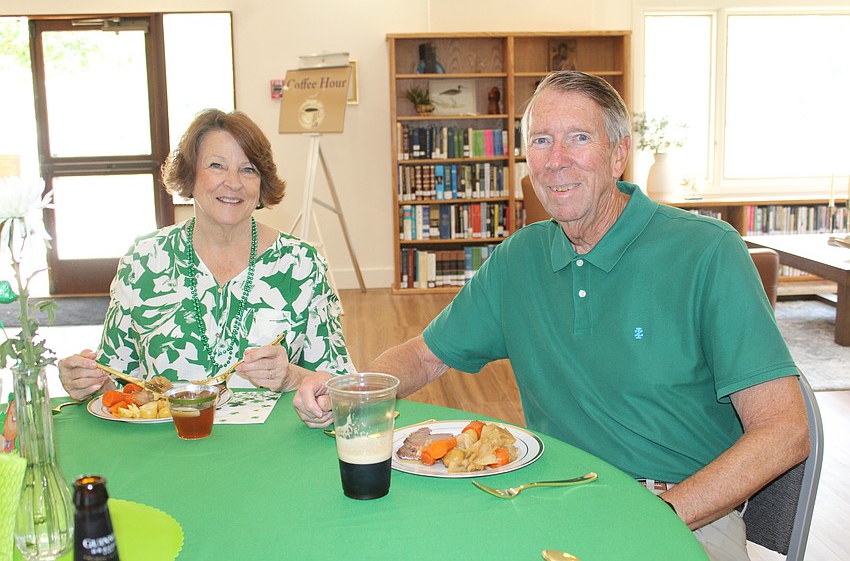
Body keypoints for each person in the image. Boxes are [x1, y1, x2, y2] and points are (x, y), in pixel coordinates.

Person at [294, 72, 810, 560]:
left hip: (682, 510)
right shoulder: (520, 257)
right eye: (541, 141)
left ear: (619, 154)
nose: (557, 160)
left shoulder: (707, 252)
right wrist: (355, 390)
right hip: (549, 495)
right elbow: (425, 357)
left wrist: (656, 513)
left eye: (579, 138)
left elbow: (786, 429)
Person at [59, 109, 354, 400]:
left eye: (248, 169)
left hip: (274, 442)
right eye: (217, 165)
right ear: (190, 175)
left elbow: (342, 386)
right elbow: (117, 380)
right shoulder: (144, 261)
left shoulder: (301, 264)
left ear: (261, 183)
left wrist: (290, 376)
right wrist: (89, 383)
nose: (234, 182)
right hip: (167, 442)